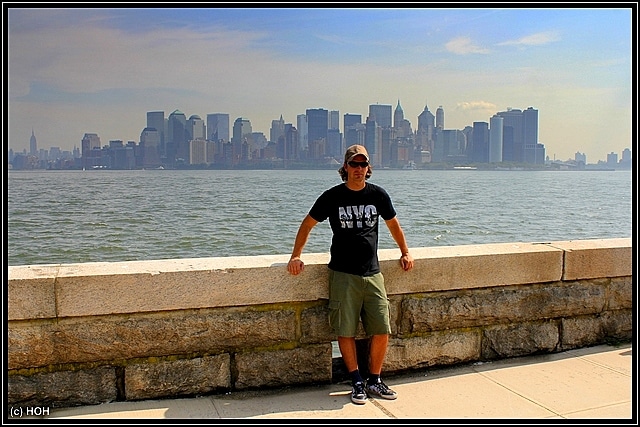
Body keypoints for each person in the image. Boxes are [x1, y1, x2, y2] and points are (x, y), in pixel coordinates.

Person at [287, 144, 414, 405]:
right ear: (345, 167)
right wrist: (296, 255)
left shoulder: (378, 195)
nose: (358, 169)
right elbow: (308, 224)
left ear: (368, 168)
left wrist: (405, 252)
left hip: (373, 273)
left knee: (381, 328)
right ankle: (356, 381)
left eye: (362, 164)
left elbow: (393, 225)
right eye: (353, 164)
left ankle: (374, 380)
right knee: (345, 330)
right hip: (343, 274)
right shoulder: (332, 197)